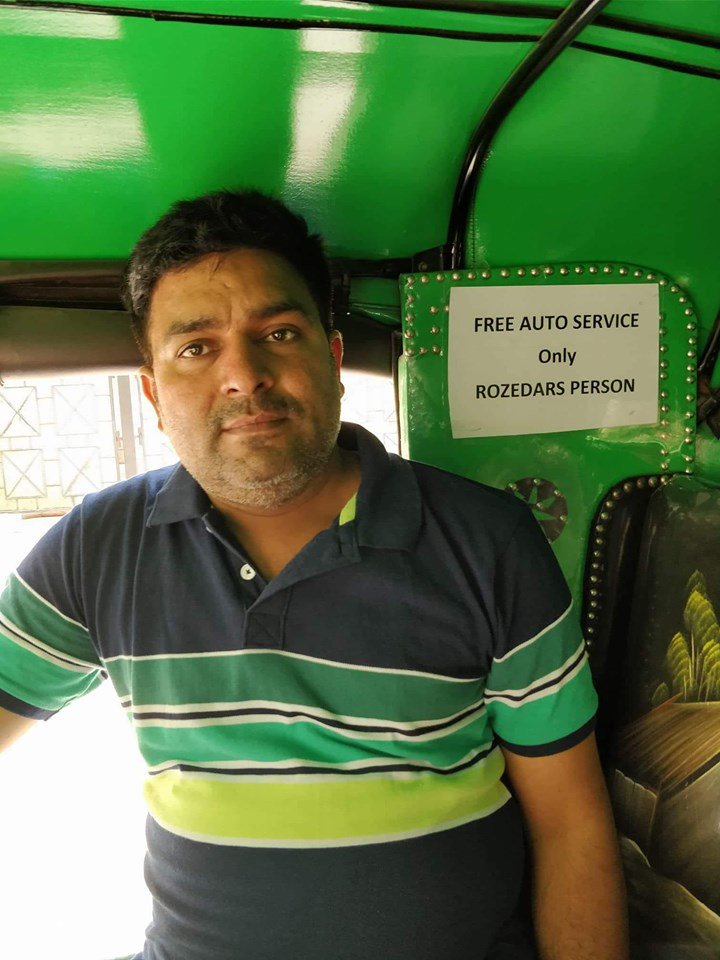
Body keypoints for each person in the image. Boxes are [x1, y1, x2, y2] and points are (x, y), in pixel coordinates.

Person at [0, 190, 628, 960]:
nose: (244, 375)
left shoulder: (488, 542)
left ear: (332, 359)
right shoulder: (99, 546)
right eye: (196, 347)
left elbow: (572, 822)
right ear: (154, 393)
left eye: (278, 332)